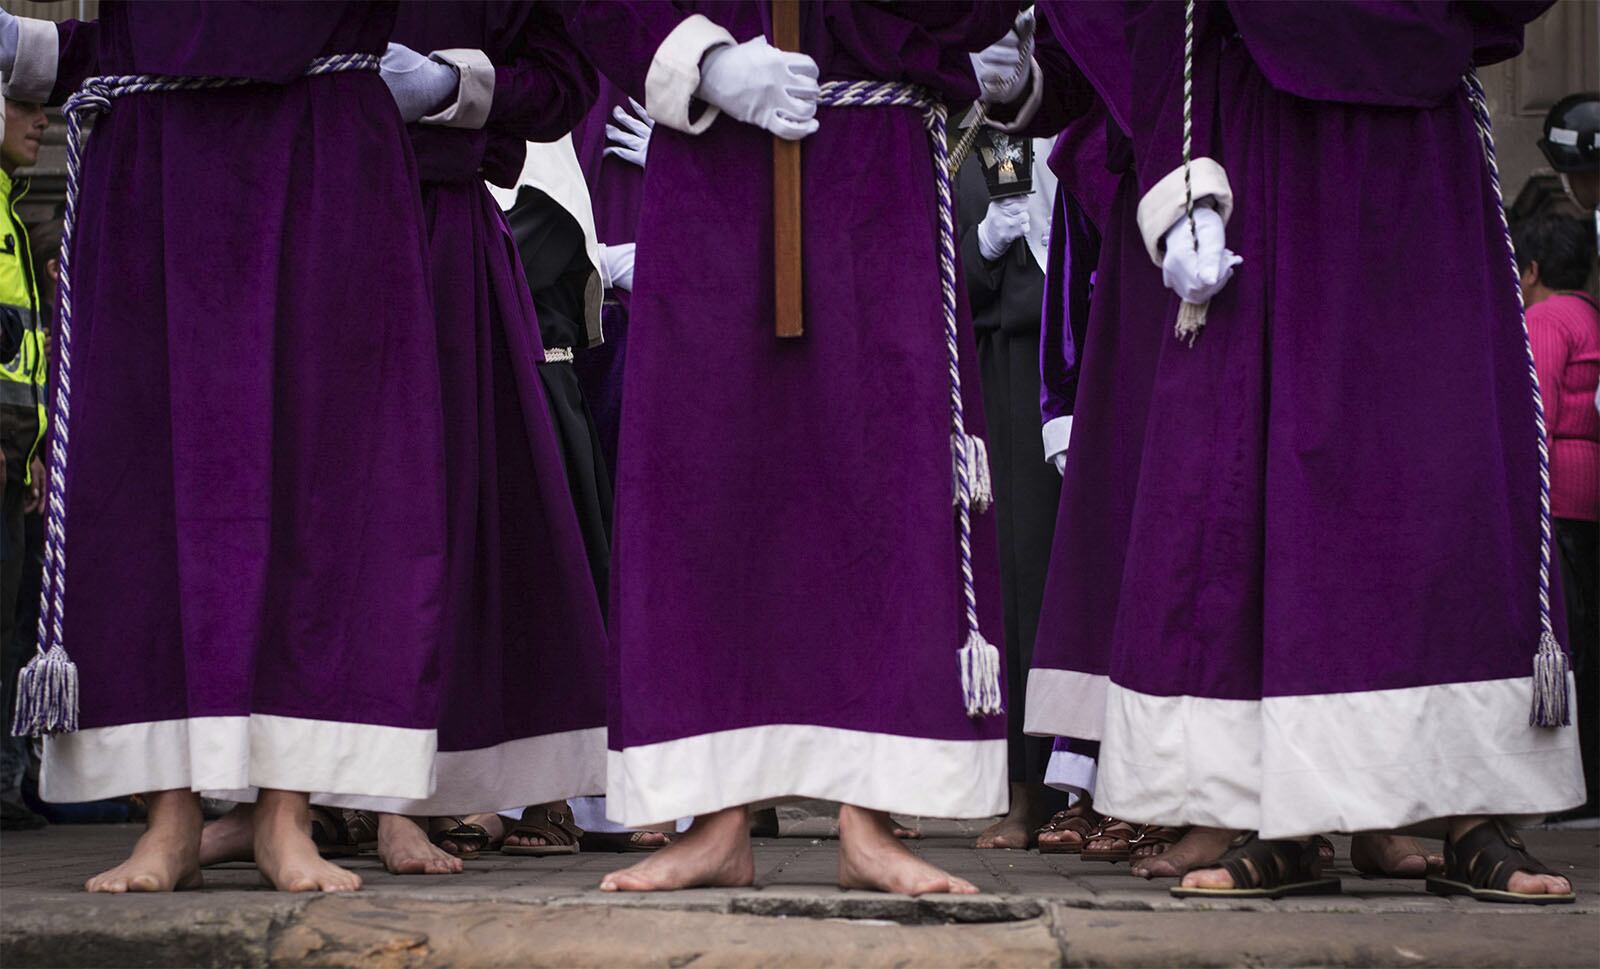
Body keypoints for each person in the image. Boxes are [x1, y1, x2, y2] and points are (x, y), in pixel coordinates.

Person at [1013, 1, 1580, 902]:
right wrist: (1177, 175)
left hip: (1415, 129)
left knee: (1438, 471)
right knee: (1263, 481)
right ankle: (1275, 813)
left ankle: (1472, 808)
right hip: (1266, 133)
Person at [564, 1, 1016, 895]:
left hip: (878, 162)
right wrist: (702, 57)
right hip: (713, 158)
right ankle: (717, 817)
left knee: (884, 480)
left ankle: (871, 816)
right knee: (710, 483)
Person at [1, 2, 448, 893]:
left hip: (318, 143)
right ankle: (168, 815)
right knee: (141, 486)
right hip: (155, 150)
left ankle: (287, 809)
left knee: (318, 481)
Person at [956, 133, 1067, 850]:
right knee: (1025, 580)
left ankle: (1112, 791)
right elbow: (933, 279)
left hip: (1092, 359)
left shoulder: (1088, 119)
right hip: (1012, 365)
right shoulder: (962, 140)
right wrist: (984, 246)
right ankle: (1027, 792)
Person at [1514, 211, 1600, 823]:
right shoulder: (1592, 315)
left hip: (1561, 501)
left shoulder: (1546, 318)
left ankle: (1572, 791)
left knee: (1567, 649)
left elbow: (1532, 409)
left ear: (1534, 270)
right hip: (1589, 498)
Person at [0, 91, 47, 832]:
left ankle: (5, 788)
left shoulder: (11, 205)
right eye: (26, 105)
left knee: (12, 630)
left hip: (15, 458)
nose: (43, 119)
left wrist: (30, 453)